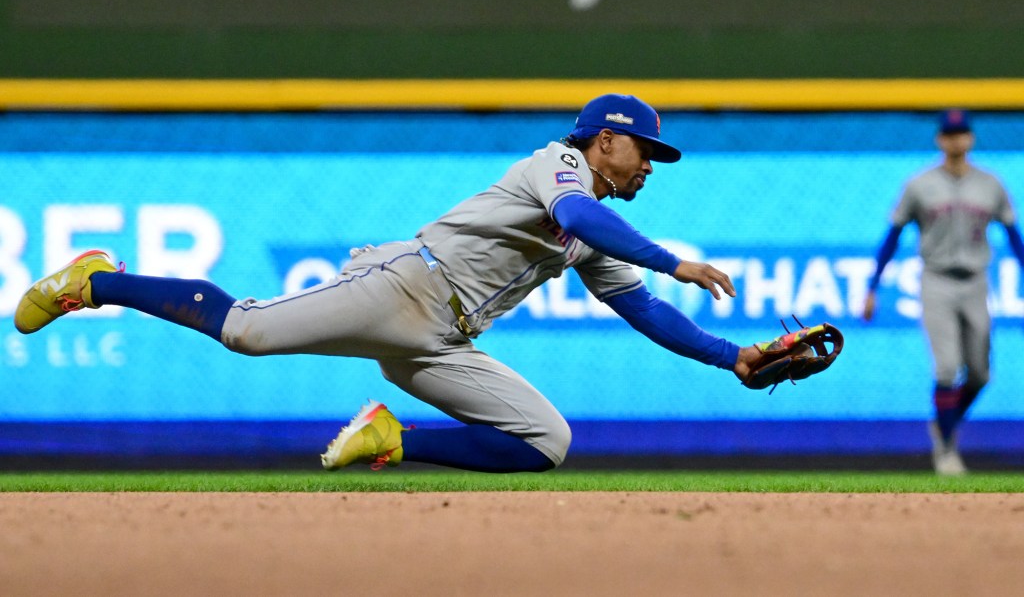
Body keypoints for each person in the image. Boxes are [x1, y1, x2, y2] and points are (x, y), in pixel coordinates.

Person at [16, 93, 781, 473]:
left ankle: (391, 437)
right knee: (245, 330)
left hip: (443, 340)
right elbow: (581, 212)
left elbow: (643, 311)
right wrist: (675, 259)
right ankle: (98, 281)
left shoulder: (592, 237)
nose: (648, 164)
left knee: (548, 441)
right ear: (605, 138)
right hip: (406, 285)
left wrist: (732, 357)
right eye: (643, 150)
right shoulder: (562, 164)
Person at [863, 108, 1024, 476]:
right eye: (950, 133)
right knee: (948, 368)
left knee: (981, 373)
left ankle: (944, 423)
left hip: (976, 280)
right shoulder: (919, 184)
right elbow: (893, 236)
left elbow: (1014, 235)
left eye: (962, 132)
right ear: (940, 139)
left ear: (971, 138)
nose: (956, 139)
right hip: (935, 280)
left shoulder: (991, 184)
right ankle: (947, 448)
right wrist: (872, 287)